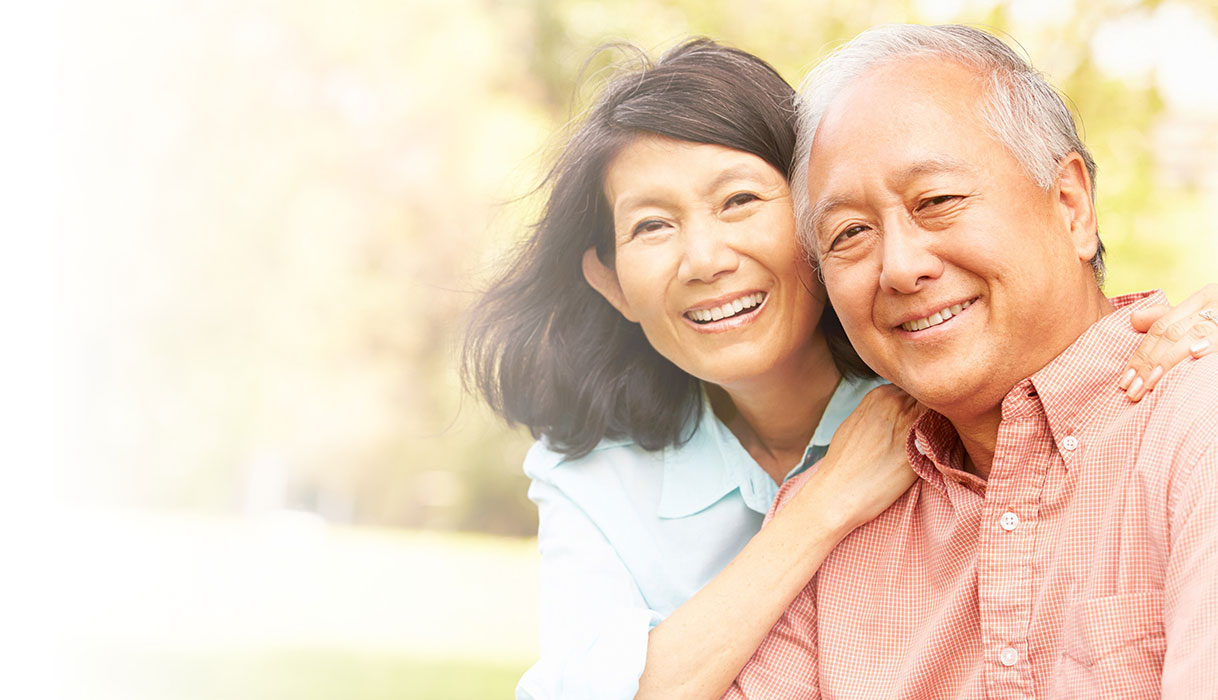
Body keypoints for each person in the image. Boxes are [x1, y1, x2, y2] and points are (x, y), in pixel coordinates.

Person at [463, 38, 1216, 700]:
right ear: (610, 280)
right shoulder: (622, 476)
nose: (705, 260)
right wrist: (820, 511)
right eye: (853, 229)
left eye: (938, 200)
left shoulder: (1167, 413)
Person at [726, 24, 1218, 699]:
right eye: (849, 234)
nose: (899, 268)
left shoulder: (1196, 429)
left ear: (1071, 205)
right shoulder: (834, 517)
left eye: (937, 201)